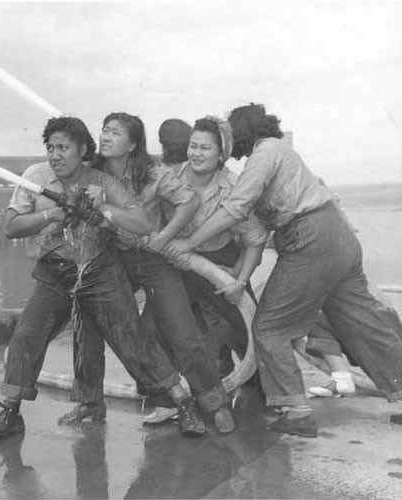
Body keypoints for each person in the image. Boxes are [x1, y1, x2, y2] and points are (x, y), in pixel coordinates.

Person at [167, 103, 402, 437]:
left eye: (231, 133)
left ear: (245, 131)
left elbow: (235, 208)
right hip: (338, 237)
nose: (228, 140)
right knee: (365, 321)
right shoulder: (280, 154)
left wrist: (189, 244)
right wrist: (240, 268)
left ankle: (296, 411)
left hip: (310, 238)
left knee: (270, 327)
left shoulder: (265, 152)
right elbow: (259, 227)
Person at [0, 116, 203, 438]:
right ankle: (11, 412)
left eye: (64, 148)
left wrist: (104, 210)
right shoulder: (35, 176)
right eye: (51, 148)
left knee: (133, 338)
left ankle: (184, 405)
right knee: (26, 335)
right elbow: (10, 228)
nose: (55, 155)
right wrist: (51, 214)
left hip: (98, 271)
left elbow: (141, 222)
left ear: (82, 150)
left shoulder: (103, 182)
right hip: (54, 272)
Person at [61, 112, 235, 434]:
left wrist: (164, 237)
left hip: (153, 260)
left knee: (181, 331)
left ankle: (215, 403)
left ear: (133, 144)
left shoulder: (154, 174)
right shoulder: (93, 174)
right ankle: (95, 401)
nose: (105, 136)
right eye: (104, 130)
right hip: (112, 257)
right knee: (88, 321)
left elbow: (190, 201)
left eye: (114, 132)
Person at [143, 116, 268, 425]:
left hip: (221, 262)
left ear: (221, 153)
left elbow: (256, 238)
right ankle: (165, 401)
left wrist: (240, 280)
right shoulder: (169, 177)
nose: (197, 154)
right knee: (150, 328)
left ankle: (265, 392)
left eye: (205, 148)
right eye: (193, 146)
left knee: (249, 334)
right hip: (176, 264)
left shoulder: (235, 187)